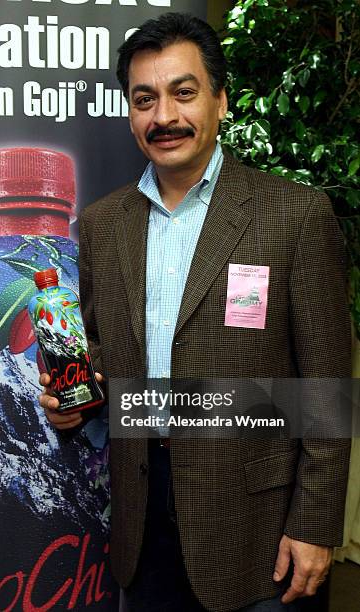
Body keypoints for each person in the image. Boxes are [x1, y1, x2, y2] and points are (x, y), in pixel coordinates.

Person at [39, 12, 351, 612]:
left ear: (220, 100)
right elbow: (102, 350)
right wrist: (75, 395)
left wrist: (315, 525)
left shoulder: (293, 215)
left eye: (184, 93)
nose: (165, 117)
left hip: (258, 524)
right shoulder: (104, 224)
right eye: (144, 99)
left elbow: (327, 391)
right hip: (142, 513)